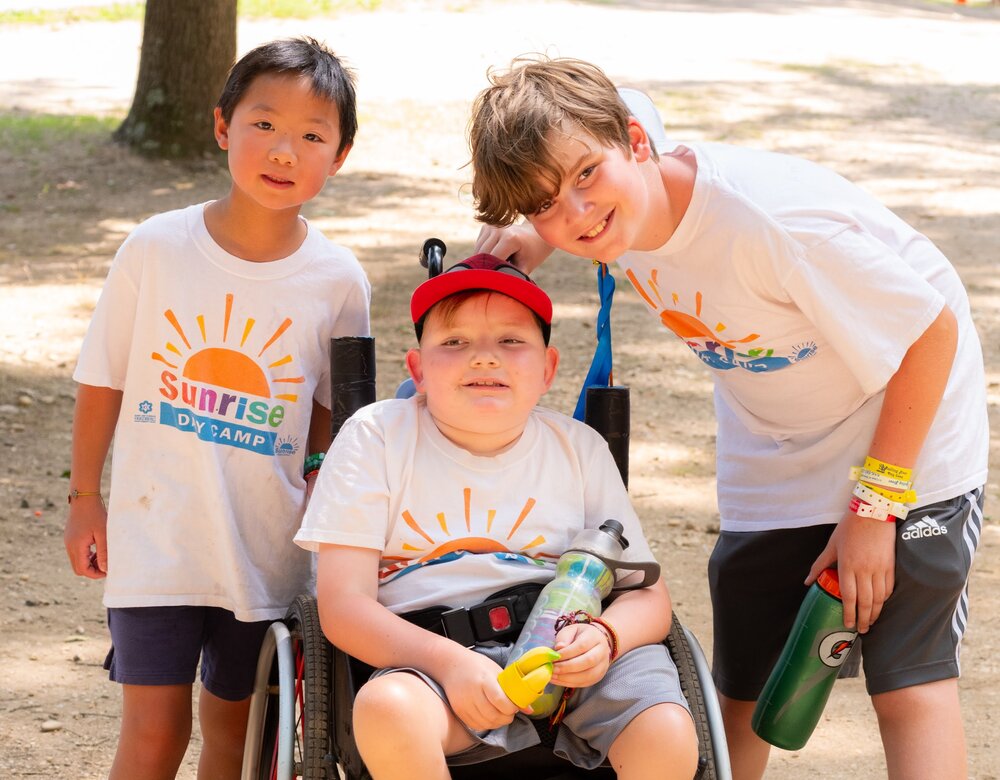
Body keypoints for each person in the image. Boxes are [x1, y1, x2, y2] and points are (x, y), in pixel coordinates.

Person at [467, 56, 988, 780]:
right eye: (545, 203)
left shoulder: (771, 223)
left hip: (907, 433)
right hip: (775, 444)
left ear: (636, 144)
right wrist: (536, 239)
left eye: (586, 176)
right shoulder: (611, 166)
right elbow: (605, 129)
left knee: (907, 682)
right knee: (741, 683)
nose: (576, 213)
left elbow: (931, 333)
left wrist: (876, 504)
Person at [63, 37, 371, 780]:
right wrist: (83, 499)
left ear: (340, 155)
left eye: (311, 135)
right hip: (156, 541)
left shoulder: (338, 281)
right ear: (222, 125)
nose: (283, 150)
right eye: (264, 124)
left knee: (237, 737)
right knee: (152, 735)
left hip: (266, 552)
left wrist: (326, 518)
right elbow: (103, 378)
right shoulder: (155, 248)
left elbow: (338, 422)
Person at [294, 254, 699, 779]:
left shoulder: (578, 447)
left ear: (548, 368)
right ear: (417, 369)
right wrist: (451, 664)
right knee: (388, 709)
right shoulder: (377, 437)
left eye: (511, 341)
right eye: (454, 342)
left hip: (575, 651)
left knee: (665, 728)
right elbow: (344, 608)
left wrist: (607, 638)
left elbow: (647, 595)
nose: (485, 358)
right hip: (432, 658)